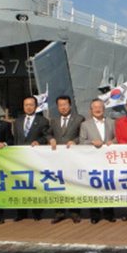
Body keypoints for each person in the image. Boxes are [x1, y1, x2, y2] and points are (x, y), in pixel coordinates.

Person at [49, 95, 86, 224]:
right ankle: (59, 213)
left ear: (70, 105)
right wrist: (51, 139)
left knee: (73, 184)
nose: (63, 107)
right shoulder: (53, 120)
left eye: (65, 104)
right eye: (60, 105)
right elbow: (48, 133)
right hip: (57, 158)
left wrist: (75, 141)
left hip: (73, 157)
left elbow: (83, 135)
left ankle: (75, 212)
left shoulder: (79, 119)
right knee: (57, 184)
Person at [13, 95, 51, 221]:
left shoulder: (43, 121)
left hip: (35, 157)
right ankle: (21, 213)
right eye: (26, 105)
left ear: (36, 106)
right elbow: (16, 140)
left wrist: (38, 142)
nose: (28, 107)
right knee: (21, 185)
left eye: (31, 105)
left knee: (35, 185)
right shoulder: (17, 121)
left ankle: (37, 212)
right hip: (21, 158)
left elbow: (46, 136)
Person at [79, 98, 116, 223]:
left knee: (108, 185)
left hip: (108, 161)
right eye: (94, 107)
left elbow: (117, 137)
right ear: (90, 110)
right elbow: (82, 141)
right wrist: (92, 142)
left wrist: (113, 142)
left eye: (100, 107)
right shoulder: (85, 125)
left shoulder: (111, 122)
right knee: (93, 187)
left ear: (104, 109)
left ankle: (109, 213)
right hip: (92, 161)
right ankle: (94, 214)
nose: (97, 109)